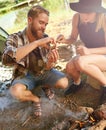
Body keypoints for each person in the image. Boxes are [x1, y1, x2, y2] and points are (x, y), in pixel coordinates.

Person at [2, 5, 68, 117]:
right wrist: (36, 43)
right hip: (24, 76)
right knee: (15, 92)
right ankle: (35, 99)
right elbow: (6, 60)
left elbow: (46, 67)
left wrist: (50, 63)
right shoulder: (14, 38)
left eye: (46, 24)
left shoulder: (44, 37)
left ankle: (44, 86)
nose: (44, 27)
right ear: (30, 20)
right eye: (41, 23)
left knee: (64, 82)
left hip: (41, 73)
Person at [56, 0, 106, 105]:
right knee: (69, 67)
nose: (84, 16)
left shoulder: (104, 18)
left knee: (80, 62)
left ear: (96, 11)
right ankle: (77, 83)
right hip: (89, 55)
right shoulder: (77, 18)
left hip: (102, 55)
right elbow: (73, 38)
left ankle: (105, 85)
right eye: (82, 11)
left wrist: (89, 51)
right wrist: (64, 39)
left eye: (89, 12)